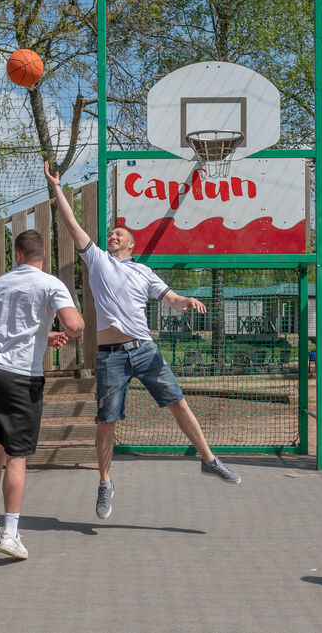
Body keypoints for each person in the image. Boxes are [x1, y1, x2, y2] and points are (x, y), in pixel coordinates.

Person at [45, 160, 241, 522]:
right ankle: (105, 483)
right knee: (107, 421)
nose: (113, 236)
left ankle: (209, 460)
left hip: (145, 350)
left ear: (132, 243)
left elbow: (170, 298)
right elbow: (72, 226)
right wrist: (57, 188)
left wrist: (186, 302)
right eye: (111, 233)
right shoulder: (98, 261)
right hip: (110, 356)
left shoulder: (144, 271)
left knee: (178, 404)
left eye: (119, 234)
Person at [0, 229, 84, 559]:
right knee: (17, 456)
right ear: (42, 255)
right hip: (20, 380)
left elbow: (14, 328)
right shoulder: (50, 283)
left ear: (17, 255)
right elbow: (74, 326)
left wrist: (43, 336)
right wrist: (71, 328)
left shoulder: (1, 284)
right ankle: (12, 534)